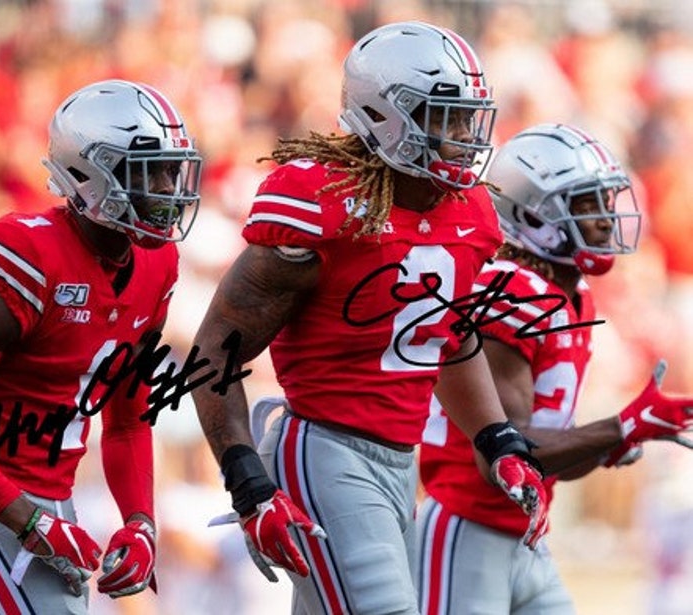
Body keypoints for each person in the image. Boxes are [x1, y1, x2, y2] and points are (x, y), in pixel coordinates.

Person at [191, 21, 549, 615]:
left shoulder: (472, 212)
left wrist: (497, 438)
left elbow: (446, 335)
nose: (462, 135)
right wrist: (248, 482)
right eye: (444, 117)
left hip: (400, 462)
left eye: (467, 118)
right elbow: (214, 353)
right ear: (385, 116)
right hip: (325, 449)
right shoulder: (323, 204)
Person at [0, 78, 202, 613]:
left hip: (54, 501)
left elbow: (129, 420)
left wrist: (140, 521)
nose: (165, 187)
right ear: (90, 175)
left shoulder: (158, 265)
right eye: (147, 171)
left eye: (169, 169)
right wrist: (29, 519)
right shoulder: (27, 251)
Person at [416, 123, 693, 614]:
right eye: (586, 205)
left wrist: (621, 436)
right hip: (467, 528)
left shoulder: (574, 295)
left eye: (605, 201)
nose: (607, 219)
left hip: (523, 535)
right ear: (531, 214)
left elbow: (552, 459)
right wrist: (621, 426)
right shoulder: (511, 291)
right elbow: (501, 457)